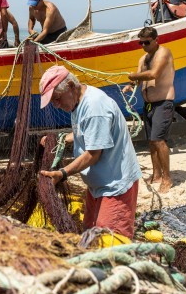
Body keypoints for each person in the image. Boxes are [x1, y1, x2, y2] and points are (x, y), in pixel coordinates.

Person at [39, 66, 141, 237]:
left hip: (115, 186)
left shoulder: (94, 107)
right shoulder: (78, 101)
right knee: (89, 235)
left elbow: (93, 154)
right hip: (97, 186)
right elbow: (86, 131)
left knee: (109, 242)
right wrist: (62, 138)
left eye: (57, 99)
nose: (56, 106)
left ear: (71, 85)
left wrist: (62, 173)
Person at [123, 26, 176, 193]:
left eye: (147, 42)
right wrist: (131, 85)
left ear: (155, 40)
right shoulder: (142, 59)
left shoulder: (164, 53)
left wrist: (133, 76)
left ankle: (167, 178)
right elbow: (139, 78)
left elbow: (154, 74)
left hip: (163, 102)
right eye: (141, 42)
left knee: (159, 140)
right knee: (152, 141)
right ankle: (156, 175)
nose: (144, 45)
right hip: (149, 105)